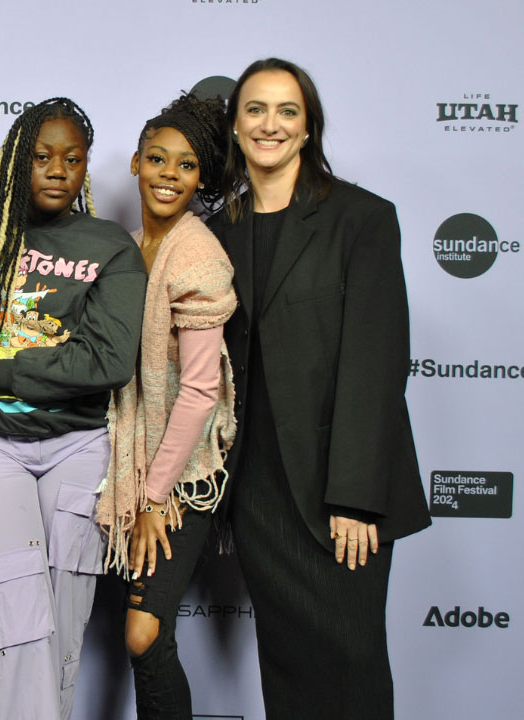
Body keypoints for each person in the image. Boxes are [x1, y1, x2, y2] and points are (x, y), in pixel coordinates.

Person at [209, 58, 431, 720]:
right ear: (236, 126)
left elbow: (377, 362)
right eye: (255, 109)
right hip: (256, 490)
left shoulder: (361, 218)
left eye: (286, 111)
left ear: (308, 129)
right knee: (287, 664)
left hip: (340, 492)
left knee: (350, 665)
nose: (269, 124)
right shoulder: (222, 228)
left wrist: (357, 498)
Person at [0, 98, 145, 720]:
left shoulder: (110, 246)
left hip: (79, 448)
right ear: (15, 161)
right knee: (16, 616)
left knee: (63, 618)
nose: (58, 169)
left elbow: (108, 361)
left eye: (73, 158)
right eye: (41, 156)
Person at [94, 93, 237, 720]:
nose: (168, 175)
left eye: (184, 166)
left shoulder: (197, 255)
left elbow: (202, 391)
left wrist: (155, 497)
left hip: (181, 476)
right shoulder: (125, 248)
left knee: (143, 633)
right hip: (124, 457)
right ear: (134, 162)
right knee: (143, 636)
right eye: (157, 158)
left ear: (201, 178)